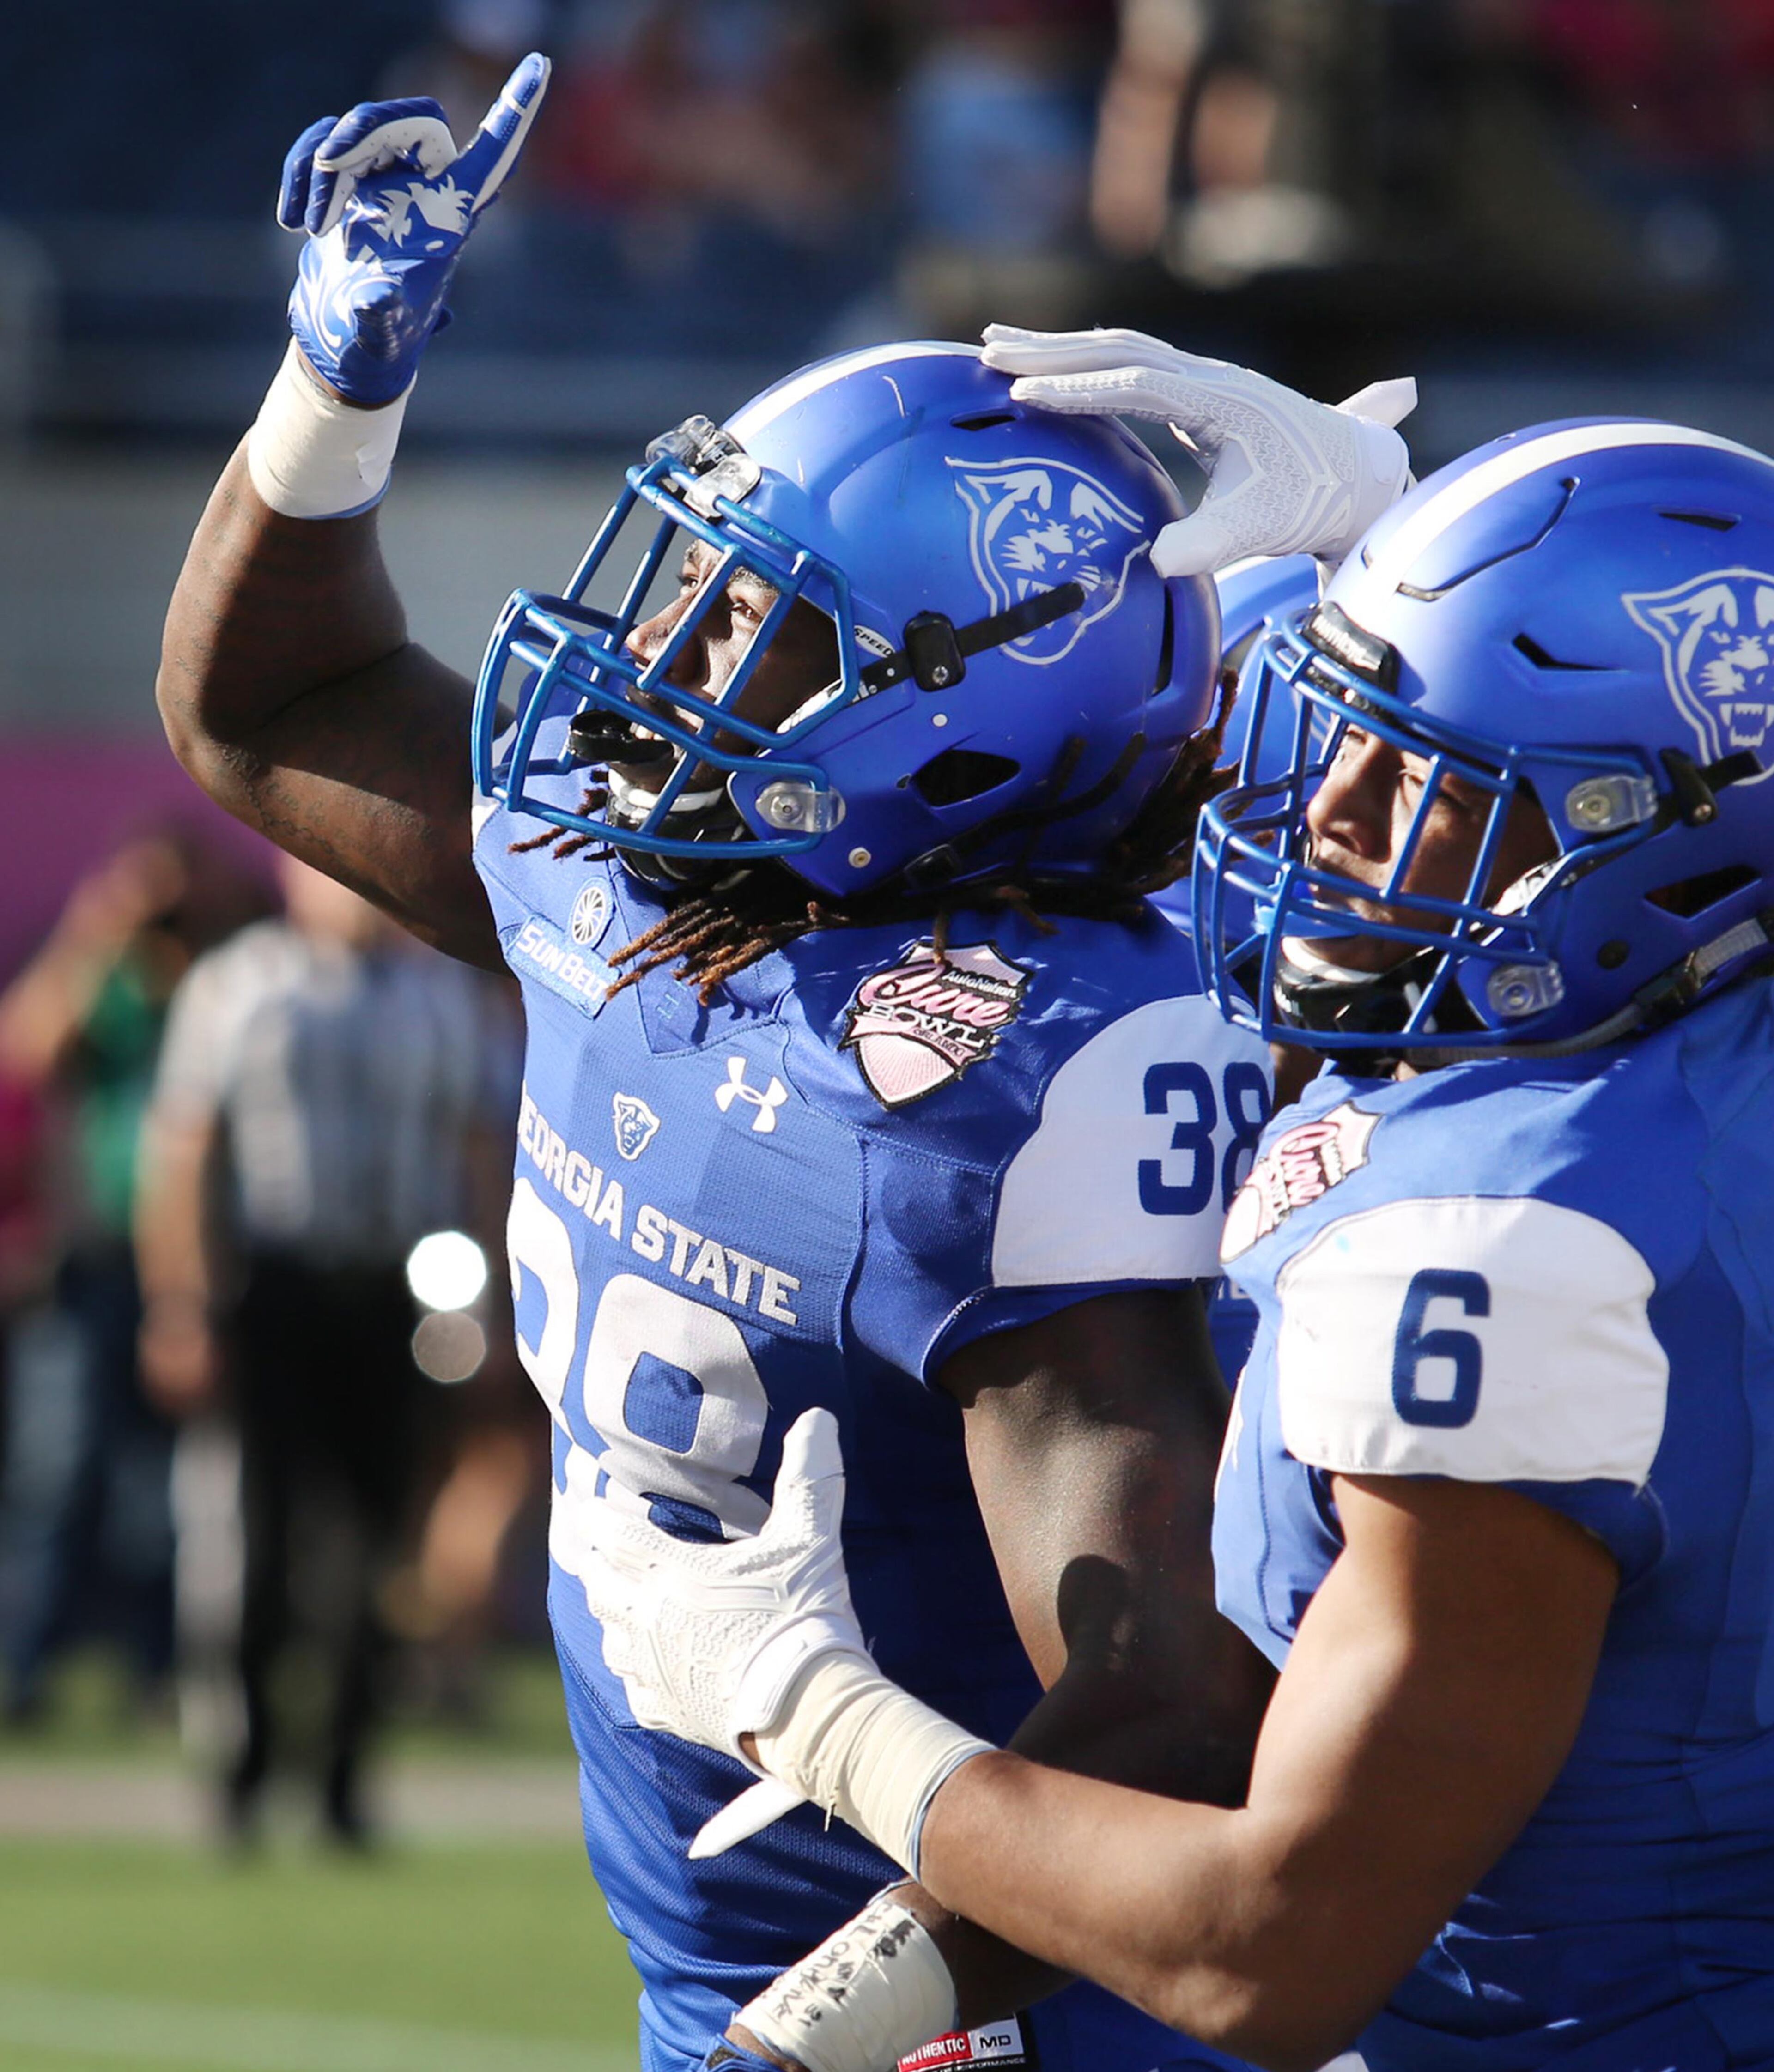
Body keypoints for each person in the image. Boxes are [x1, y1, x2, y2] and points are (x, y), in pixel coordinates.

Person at [154, 53, 1415, 2068]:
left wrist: (825, 2026)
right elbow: (270, 699)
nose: (669, 662)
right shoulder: (626, 872)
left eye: (766, 631)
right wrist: (338, 382)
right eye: (709, 588)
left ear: (964, 744)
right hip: (725, 1970)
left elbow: (1174, 1692)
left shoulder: (1030, 1074)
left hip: (971, 2013)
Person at [574, 411, 1774, 2072]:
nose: (1321, 816)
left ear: (1652, 834)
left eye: (1417, 781)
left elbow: (1268, 1949)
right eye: (1342, 734)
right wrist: (1400, 535)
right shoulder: (1696, 1063)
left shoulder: (1509, 1247)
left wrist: (819, 1712)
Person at [134, 854, 518, 1844]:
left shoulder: (439, 993)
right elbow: (182, 1149)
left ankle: (345, 1778)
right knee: (258, 1537)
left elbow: (478, 1151)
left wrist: (487, 1311)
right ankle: (244, 1770)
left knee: (371, 1540)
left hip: (392, 1288)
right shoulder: (241, 982)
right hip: (276, 1284)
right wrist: (180, 1302)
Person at [0, 830, 261, 1725]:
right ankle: (22, 1665)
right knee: (58, 1467)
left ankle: (157, 1671)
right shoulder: (105, 981)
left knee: (167, 1484)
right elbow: (28, 1048)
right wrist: (101, 924)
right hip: (96, 1259)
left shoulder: (225, 981)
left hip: (197, 1264)